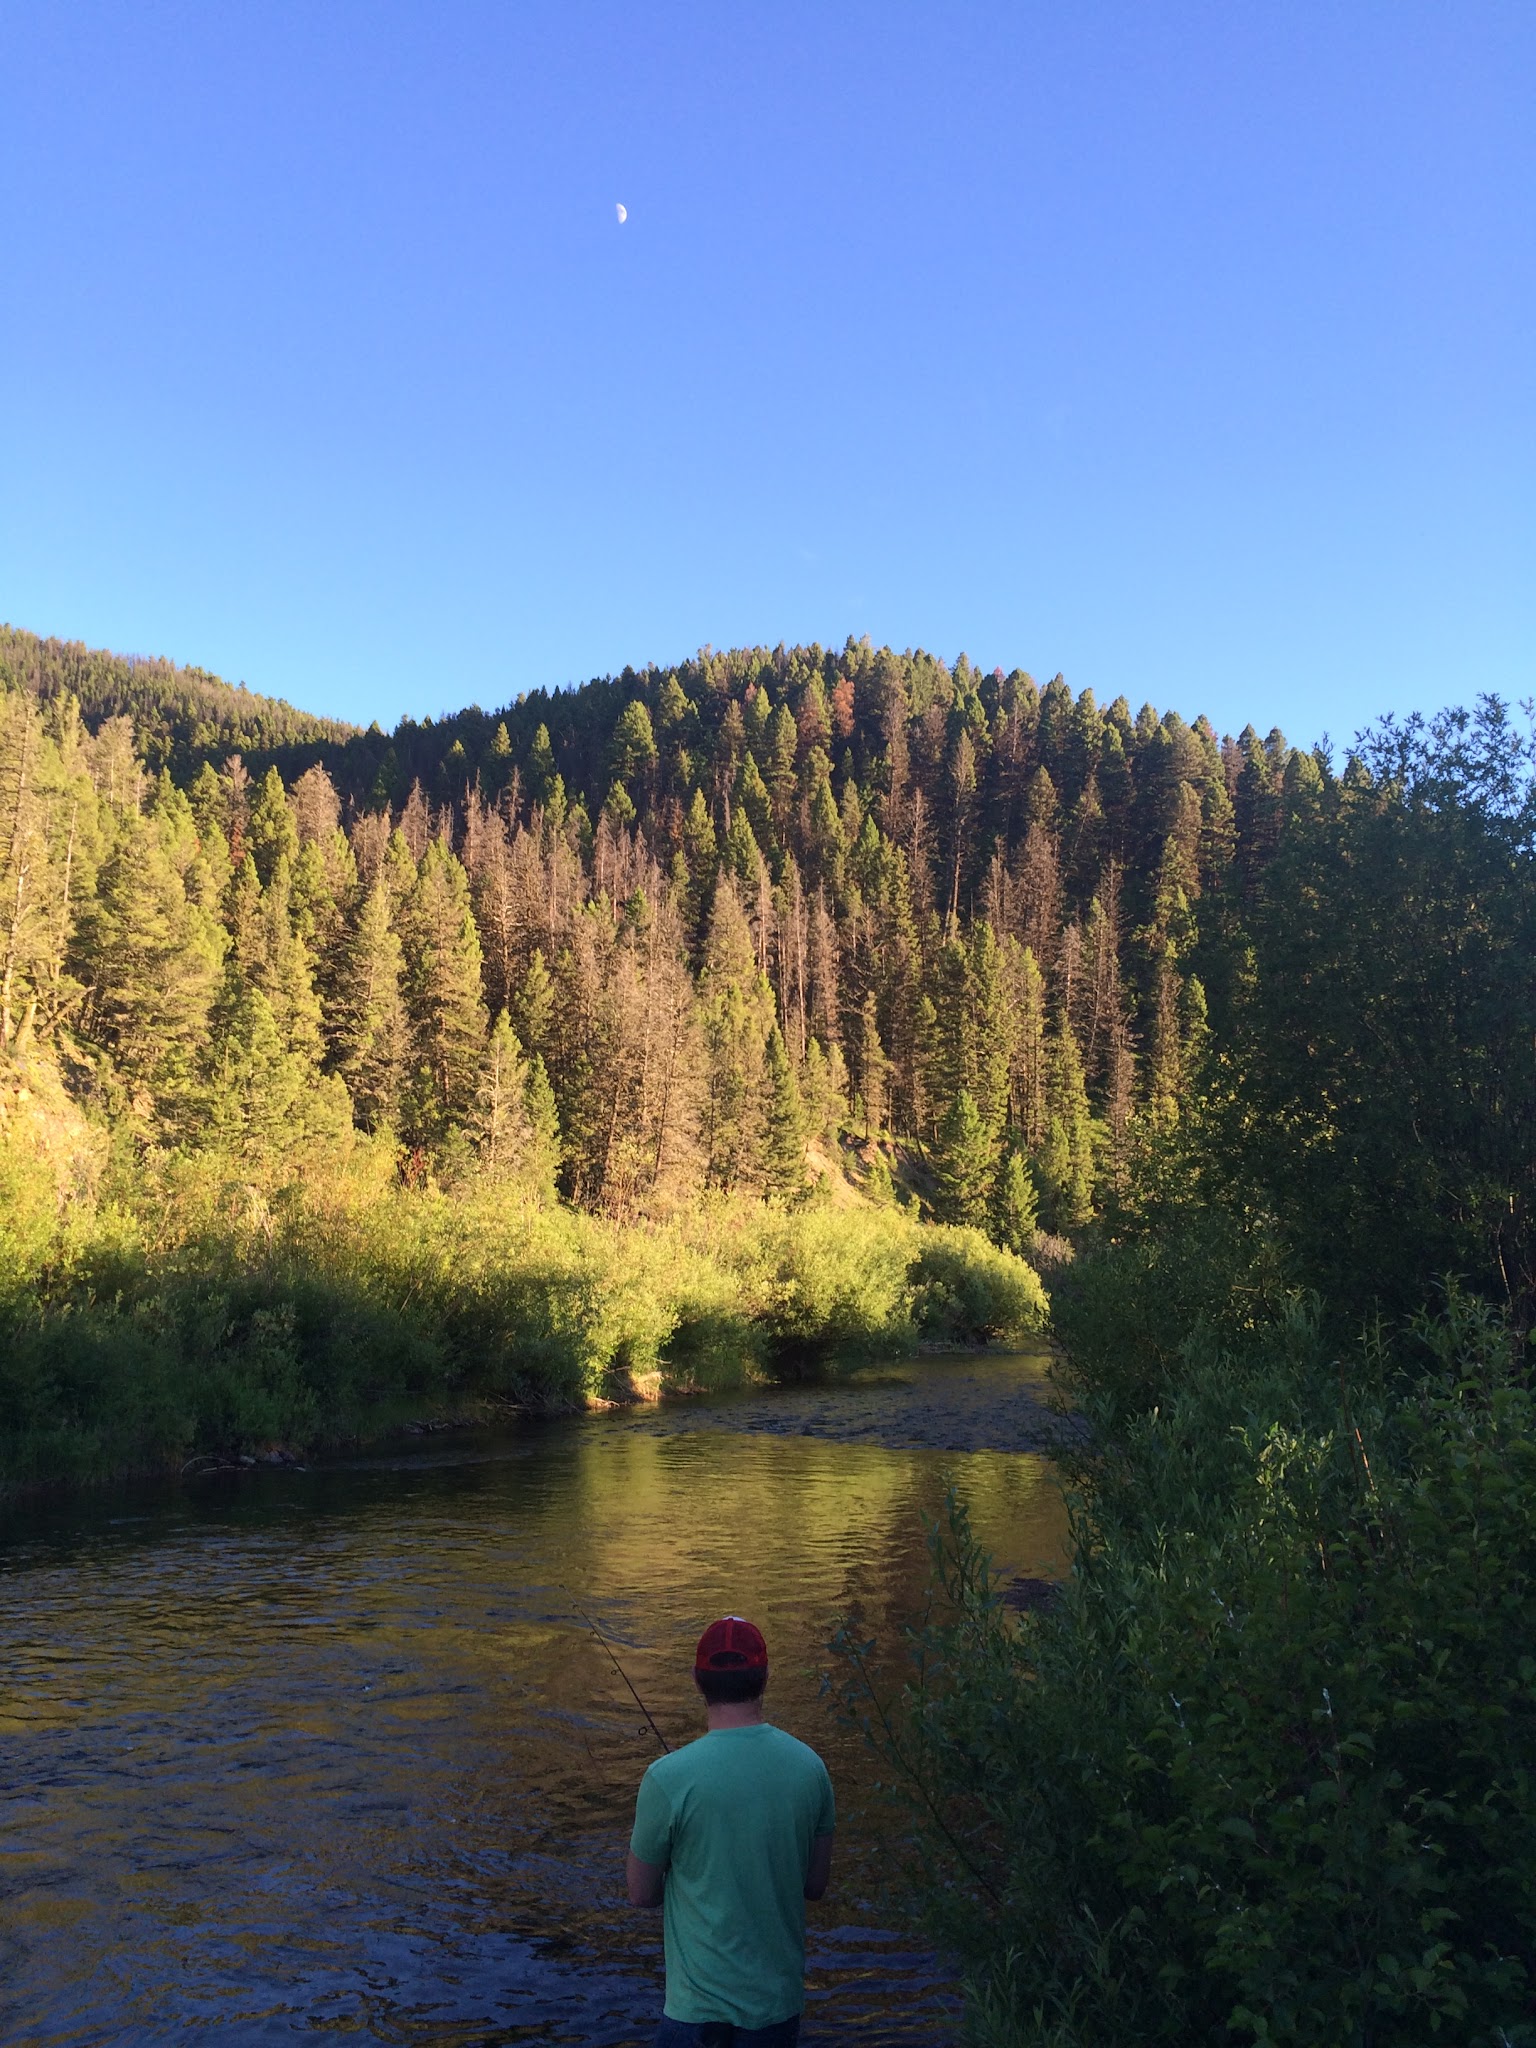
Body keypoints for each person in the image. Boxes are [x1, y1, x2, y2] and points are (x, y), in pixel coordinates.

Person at [626, 1615, 835, 2048]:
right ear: (766, 1677)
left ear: (696, 1681)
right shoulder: (811, 1769)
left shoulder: (666, 1778)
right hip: (774, 2011)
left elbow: (641, 1894)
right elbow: (815, 1884)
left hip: (692, 2017)